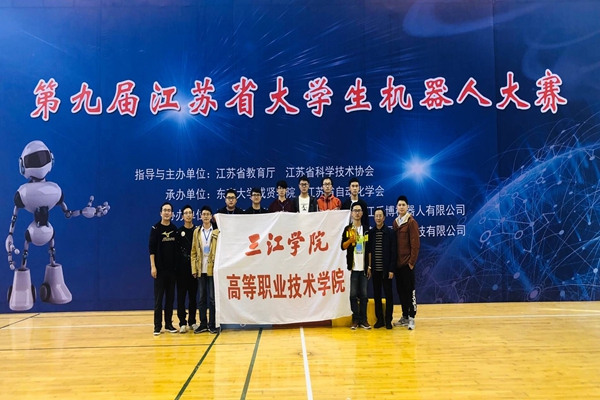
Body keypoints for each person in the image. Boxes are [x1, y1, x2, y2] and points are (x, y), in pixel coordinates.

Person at [148, 202, 179, 336]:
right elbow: (152, 249)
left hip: (172, 270)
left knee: (170, 298)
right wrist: (153, 266)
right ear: (161, 213)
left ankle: (168, 324)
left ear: (172, 214)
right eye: (165, 210)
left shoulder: (174, 229)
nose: (167, 213)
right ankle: (157, 326)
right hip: (160, 270)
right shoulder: (155, 229)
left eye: (169, 210)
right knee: (159, 299)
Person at [341, 203, 371, 330]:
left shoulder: (366, 229)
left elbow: (369, 250)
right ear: (351, 213)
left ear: (362, 213)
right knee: (353, 295)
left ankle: (364, 320)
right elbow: (343, 246)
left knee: (364, 295)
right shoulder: (348, 229)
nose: (357, 213)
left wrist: (369, 267)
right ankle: (355, 320)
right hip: (352, 268)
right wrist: (350, 241)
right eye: (355, 210)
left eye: (359, 211)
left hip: (363, 267)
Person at [191, 206, 221, 334]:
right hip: (200, 269)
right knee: (202, 298)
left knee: (212, 298)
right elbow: (193, 251)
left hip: (212, 269)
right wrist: (194, 269)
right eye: (204, 214)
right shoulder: (197, 231)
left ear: (211, 216)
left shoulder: (217, 232)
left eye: (208, 214)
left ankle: (212, 324)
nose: (206, 216)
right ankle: (203, 323)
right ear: (200, 216)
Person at [392, 195, 420, 330]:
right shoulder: (395, 223)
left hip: (407, 264)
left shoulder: (411, 222)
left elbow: (415, 244)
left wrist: (411, 262)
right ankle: (404, 316)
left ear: (407, 207)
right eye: (399, 205)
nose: (401, 207)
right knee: (401, 291)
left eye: (403, 205)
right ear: (396, 207)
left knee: (410, 291)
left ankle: (412, 317)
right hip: (398, 264)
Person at [367, 208, 397, 329]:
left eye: (380, 216)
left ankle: (388, 320)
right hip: (375, 271)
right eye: (376, 216)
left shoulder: (390, 233)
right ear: (374, 218)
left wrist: (391, 269)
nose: (378, 218)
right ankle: (380, 320)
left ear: (384, 218)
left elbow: (394, 253)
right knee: (377, 295)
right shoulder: (371, 233)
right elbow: (369, 251)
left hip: (386, 271)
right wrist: (369, 267)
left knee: (389, 296)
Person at [176, 205, 198, 333]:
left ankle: (192, 321)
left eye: (190, 213)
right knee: (181, 297)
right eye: (186, 213)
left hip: (194, 271)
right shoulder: (179, 232)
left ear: (193, 215)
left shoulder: (197, 231)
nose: (188, 215)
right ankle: (182, 323)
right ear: (182, 216)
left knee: (193, 297)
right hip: (181, 271)